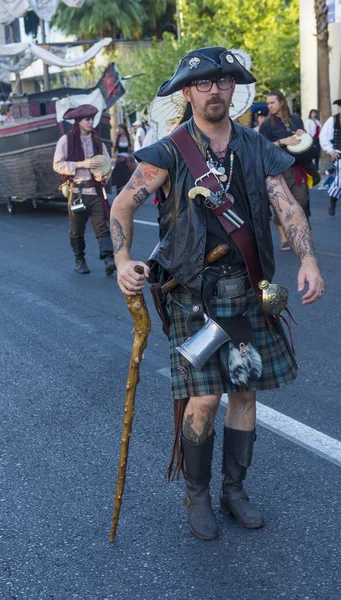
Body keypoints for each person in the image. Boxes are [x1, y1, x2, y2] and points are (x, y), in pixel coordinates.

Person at [110, 46, 324, 542]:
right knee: (205, 400)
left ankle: (235, 490)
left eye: (222, 82)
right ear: (188, 92)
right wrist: (123, 262)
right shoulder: (169, 150)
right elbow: (123, 203)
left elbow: (286, 206)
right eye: (203, 83)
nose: (213, 91)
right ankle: (198, 493)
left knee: (244, 391)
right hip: (194, 297)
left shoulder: (253, 144)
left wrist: (308, 258)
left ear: (232, 89)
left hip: (245, 292)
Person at [53, 104, 115, 276]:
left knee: (102, 226)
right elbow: (57, 165)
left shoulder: (97, 141)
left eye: (92, 119)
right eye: (87, 119)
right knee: (77, 229)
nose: (90, 122)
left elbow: (107, 163)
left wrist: (103, 176)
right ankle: (79, 260)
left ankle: (109, 259)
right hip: (77, 192)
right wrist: (82, 164)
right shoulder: (66, 140)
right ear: (78, 121)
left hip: (95, 191)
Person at [259, 90, 310, 251]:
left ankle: (301, 233)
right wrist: (283, 141)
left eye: (272, 102)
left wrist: (302, 134)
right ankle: (284, 239)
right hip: (277, 169)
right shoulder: (267, 124)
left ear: (281, 102)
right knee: (280, 205)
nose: (269, 106)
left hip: (296, 167)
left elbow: (303, 140)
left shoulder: (296, 119)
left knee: (302, 201)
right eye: (268, 103)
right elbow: (262, 147)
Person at [319, 99, 341, 216]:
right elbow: (323, 137)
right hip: (339, 155)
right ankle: (333, 200)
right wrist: (330, 150)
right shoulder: (334, 120)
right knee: (340, 181)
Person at [111, 123, 134, 194]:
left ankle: (127, 194)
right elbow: (114, 151)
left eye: (120, 128)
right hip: (119, 160)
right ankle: (118, 194)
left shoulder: (129, 137)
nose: (119, 130)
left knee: (127, 179)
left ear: (124, 129)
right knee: (119, 179)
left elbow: (132, 149)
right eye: (118, 128)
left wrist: (130, 149)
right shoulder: (117, 138)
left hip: (127, 161)